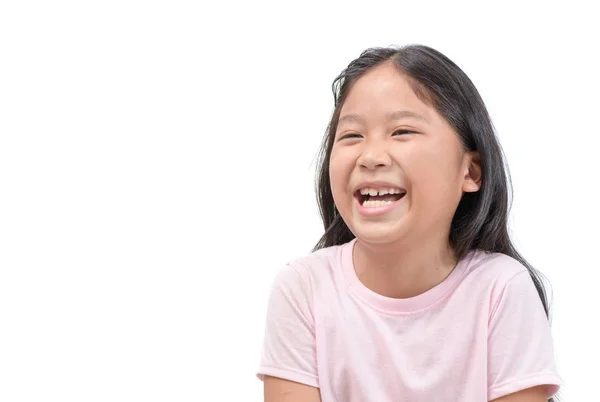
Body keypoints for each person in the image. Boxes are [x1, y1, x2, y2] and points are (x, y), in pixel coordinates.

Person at [256, 44, 562, 402]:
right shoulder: (304, 288)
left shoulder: (501, 289)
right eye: (352, 136)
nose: (370, 157)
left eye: (402, 131)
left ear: (471, 170)